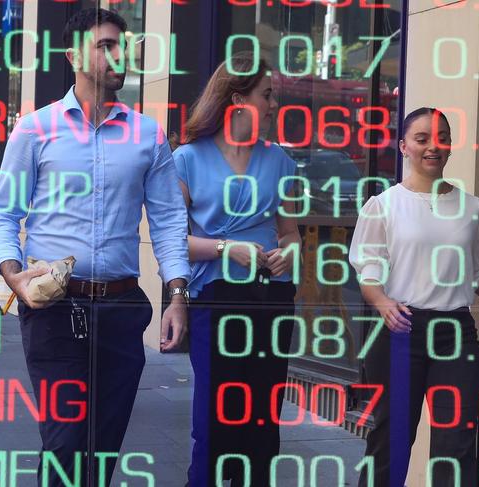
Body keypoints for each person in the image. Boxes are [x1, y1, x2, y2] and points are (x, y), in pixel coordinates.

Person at [0, 8, 190, 486]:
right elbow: (3, 213)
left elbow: (167, 220)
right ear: (73, 54)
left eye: (122, 45)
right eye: (106, 46)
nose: (119, 55)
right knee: (65, 443)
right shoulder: (35, 129)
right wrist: (13, 275)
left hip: (122, 310)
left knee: (102, 448)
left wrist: (177, 295)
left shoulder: (147, 135)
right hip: (54, 309)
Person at [350, 107, 479, 487]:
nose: (433, 147)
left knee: (456, 443)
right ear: (404, 146)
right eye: (422, 139)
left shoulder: (474, 209)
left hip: (456, 332)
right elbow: (368, 274)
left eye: (442, 138)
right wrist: (383, 303)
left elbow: (477, 282)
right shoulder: (383, 205)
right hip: (400, 329)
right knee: (392, 441)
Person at [172, 52, 302, 487]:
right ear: (236, 98)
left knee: (264, 420)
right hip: (218, 298)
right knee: (215, 416)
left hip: (273, 296)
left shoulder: (279, 160)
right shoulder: (187, 158)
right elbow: (173, 241)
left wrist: (292, 253)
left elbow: (290, 233)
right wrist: (229, 248)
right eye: (267, 95)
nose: (273, 105)